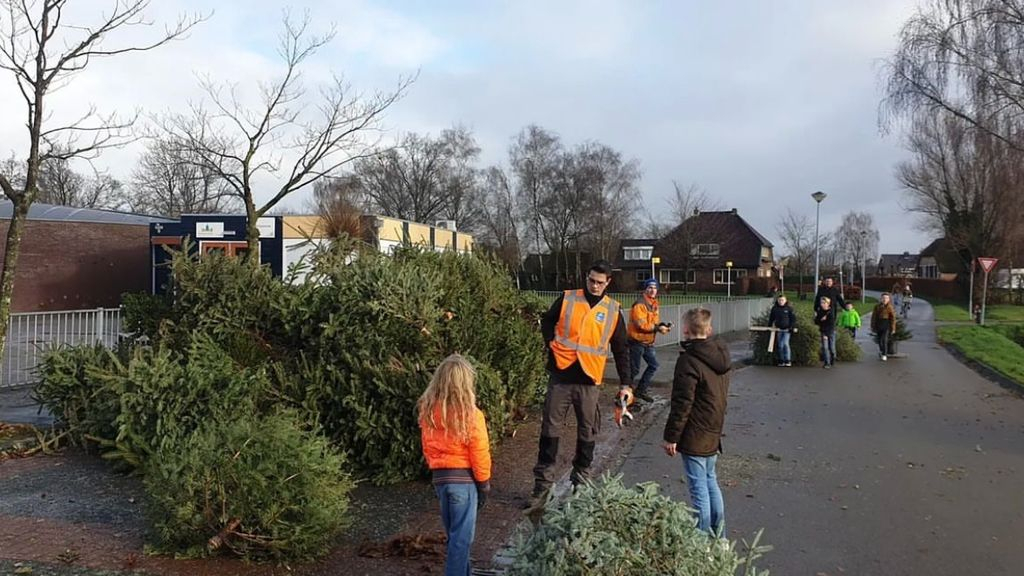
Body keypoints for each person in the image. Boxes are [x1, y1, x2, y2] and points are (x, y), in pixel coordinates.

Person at [532, 260, 633, 501]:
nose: (594, 286)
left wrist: (626, 383)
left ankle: (581, 484)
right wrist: (550, 342)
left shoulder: (612, 311)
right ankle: (542, 487)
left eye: (599, 282)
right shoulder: (568, 298)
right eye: (591, 280)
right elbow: (548, 320)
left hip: (589, 380)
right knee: (550, 430)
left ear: (608, 283)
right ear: (586, 277)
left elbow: (621, 349)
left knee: (587, 433)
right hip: (561, 374)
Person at [418, 354, 492, 576]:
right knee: (461, 541)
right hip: (464, 483)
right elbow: (479, 452)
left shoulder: (429, 411)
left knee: (455, 538)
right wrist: (484, 484)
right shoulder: (472, 415)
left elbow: (427, 447)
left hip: (441, 481)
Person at [662, 308, 731, 536]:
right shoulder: (721, 355)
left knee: (698, 488)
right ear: (709, 329)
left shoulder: (688, 361)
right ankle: (719, 536)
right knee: (711, 482)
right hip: (713, 428)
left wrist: (671, 437)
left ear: (685, 330)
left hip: (695, 432)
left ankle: (701, 540)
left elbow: (682, 403)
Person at [628, 278, 671, 403]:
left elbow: (653, 322)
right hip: (637, 341)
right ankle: (624, 393)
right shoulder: (639, 304)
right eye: (650, 288)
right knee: (634, 369)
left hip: (648, 342)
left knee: (653, 365)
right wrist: (658, 328)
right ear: (645, 289)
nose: (653, 290)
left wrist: (662, 326)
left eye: (655, 288)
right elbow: (641, 325)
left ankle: (640, 390)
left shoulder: (654, 304)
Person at [767, 294, 797, 367]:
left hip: (787, 329)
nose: (781, 301)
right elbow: (771, 318)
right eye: (780, 300)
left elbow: (793, 319)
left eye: (782, 300)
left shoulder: (789, 308)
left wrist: (791, 327)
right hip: (779, 329)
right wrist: (769, 326)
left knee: (785, 344)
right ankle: (781, 360)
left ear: (785, 301)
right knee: (780, 345)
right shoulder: (775, 308)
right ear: (777, 301)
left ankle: (788, 360)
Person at [871, 292, 898, 361]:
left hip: (886, 324)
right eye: (883, 298)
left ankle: (884, 354)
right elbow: (874, 317)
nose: (884, 299)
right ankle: (882, 350)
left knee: (884, 340)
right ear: (881, 299)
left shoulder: (890, 307)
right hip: (879, 324)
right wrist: (873, 326)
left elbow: (893, 318)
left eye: (886, 298)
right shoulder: (877, 306)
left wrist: (893, 328)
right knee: (879, 340)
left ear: (889, 299)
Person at [813, 296, 837, 369]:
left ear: (828, 303)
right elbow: (816, 322)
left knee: (832, 348)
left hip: (830, 331)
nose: (822, 304)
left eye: (824, 303)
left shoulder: (830, 312)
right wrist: (820, 319)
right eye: (821, 303)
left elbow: (831, 324)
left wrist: (827, 334)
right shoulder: (820, 312)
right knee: (825, 347)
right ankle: (827, 363)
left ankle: (833, 358)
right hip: (823, 331)